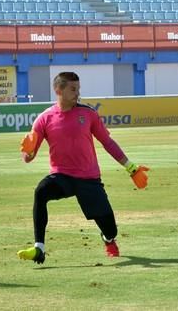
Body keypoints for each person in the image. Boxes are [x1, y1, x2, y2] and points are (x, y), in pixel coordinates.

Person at [17, 72, 149, 264]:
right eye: (72, 89)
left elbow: (107, 142)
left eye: (78, 89)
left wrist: (130, 167)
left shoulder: (88, 114)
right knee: (41, 191)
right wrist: (27, 151)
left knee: (111, 228)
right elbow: (28, 157)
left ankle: (108, 239)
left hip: (88, 178)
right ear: (58, 90)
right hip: (62, 177)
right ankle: (39, 248)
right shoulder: (44, 119)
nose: (77, 93)